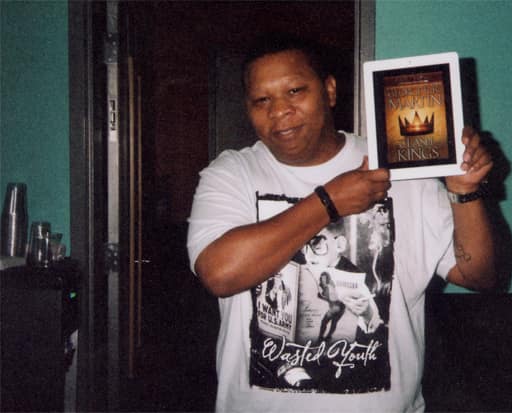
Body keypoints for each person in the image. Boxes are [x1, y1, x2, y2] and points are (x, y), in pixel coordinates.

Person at [187, 33, 495, 413]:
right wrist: (328, 203)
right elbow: (219, 274)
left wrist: (465, 192)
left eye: (295, 91)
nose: (279, 111)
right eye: (261, 100)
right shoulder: (231, 173)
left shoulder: (400, 169)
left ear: (329, 91)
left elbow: (480, 275)